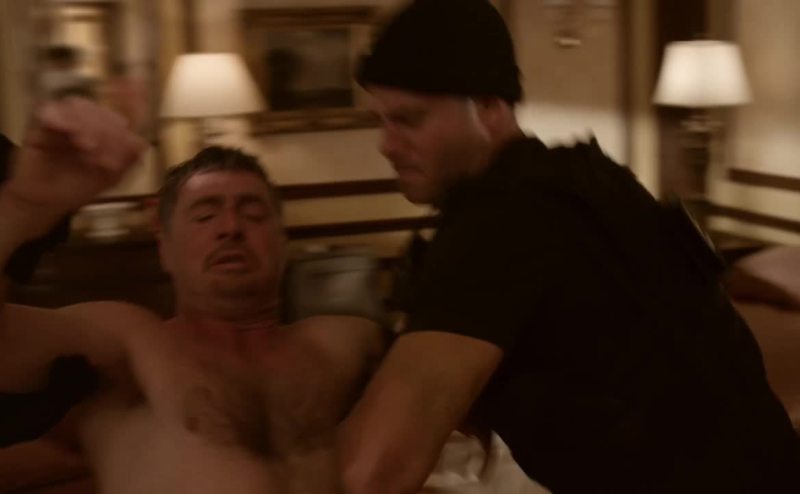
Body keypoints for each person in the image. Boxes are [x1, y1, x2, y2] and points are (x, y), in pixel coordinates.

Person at [338, 0, 800, 493]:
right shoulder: (595, 182)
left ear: (489, 107)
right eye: (381, 121)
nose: (386, 144)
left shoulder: (501, 223)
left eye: (408, 120)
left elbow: (372, 473)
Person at [0, 97, 384, 493]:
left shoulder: (341, 343)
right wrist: (21, 211)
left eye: (253, 213)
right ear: (164, 247)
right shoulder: (130, 345)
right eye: (205, 215)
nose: (231, 227)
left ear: (282, 241)